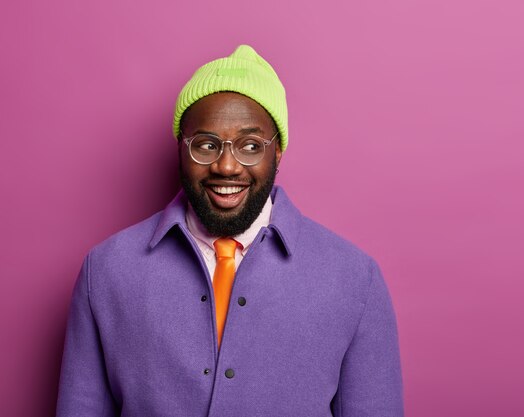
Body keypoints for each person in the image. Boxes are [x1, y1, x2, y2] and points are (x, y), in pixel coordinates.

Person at [57, 45, 403, 417]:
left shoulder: (355, 280)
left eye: (250, 146)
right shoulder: (107, 271)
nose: (226, 166)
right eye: (205, 145)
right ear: (180, 149)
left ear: (278, 152)